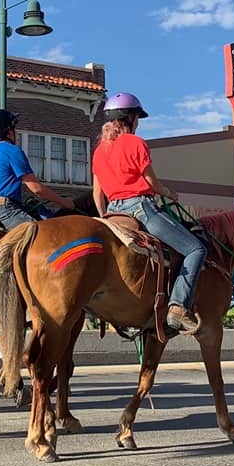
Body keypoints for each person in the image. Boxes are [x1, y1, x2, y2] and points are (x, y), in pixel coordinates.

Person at [91, 92, 206, 334]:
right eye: (137, 117)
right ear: (129, 118)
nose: (139, 122)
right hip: (139, 208)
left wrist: (104, 217)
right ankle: (177, 307)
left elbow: (96, 193)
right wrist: (169, 193)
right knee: (196, 249)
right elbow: (151, 183)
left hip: (112, 212)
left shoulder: (100, 150)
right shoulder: (136, 143)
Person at [0, 109, 73, 229]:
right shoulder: (12, 150)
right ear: (9, 130)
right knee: (43, 233)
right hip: (4, 210)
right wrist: (63, 202)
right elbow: (36, 189)